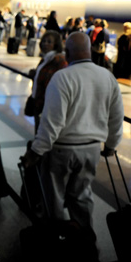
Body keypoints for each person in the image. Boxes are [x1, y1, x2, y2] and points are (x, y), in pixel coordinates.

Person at [21, 32, 123, 244]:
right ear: (90, 50)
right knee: (82, 196)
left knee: (55, 198)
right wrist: (111, 145)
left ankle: (58, 242)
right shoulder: (107, 77)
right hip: (92, 150)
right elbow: (116, 117)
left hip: (61, 150)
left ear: (67, 52)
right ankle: (85, 242)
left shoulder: (63, 77)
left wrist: (36, 151)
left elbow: (52, 122)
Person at [26, 30, 68, 132]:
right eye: (44, 41)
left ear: (55, 44)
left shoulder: (59, 60)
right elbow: (43, 74)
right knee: (38, 130)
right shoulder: (46, 58)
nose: (45, 44)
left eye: (49, 42)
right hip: (39, 102)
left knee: (44, 133)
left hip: (48, 105)